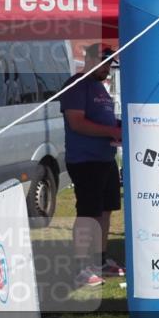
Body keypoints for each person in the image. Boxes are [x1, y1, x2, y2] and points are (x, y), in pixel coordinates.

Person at [60, 44, 125, 288]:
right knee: (88, 213)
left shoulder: (99, 86)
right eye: (105, 62)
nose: (108, 68)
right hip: (84, 160)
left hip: (105, 158)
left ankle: (100, 261)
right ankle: (80, 268)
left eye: (110, 63)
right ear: (90, 60)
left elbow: (104, 118)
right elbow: (76, 123)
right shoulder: (76, 84)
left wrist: (121, 124)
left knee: (106, 211)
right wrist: (112, 130)